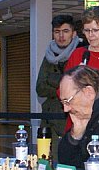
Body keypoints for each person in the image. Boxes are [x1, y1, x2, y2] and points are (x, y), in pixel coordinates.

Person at [36, 14, 83, 158]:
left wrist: (52, 80)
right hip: (49, 119)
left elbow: (79, 88)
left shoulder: (82, 53)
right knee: (45, 161)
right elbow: (40, 87)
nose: (61, 36)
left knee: (68, 161)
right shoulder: (49, 55)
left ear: (73, 33)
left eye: (65, 31)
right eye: (57, 32)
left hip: (71, 120)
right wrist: (62, 85)